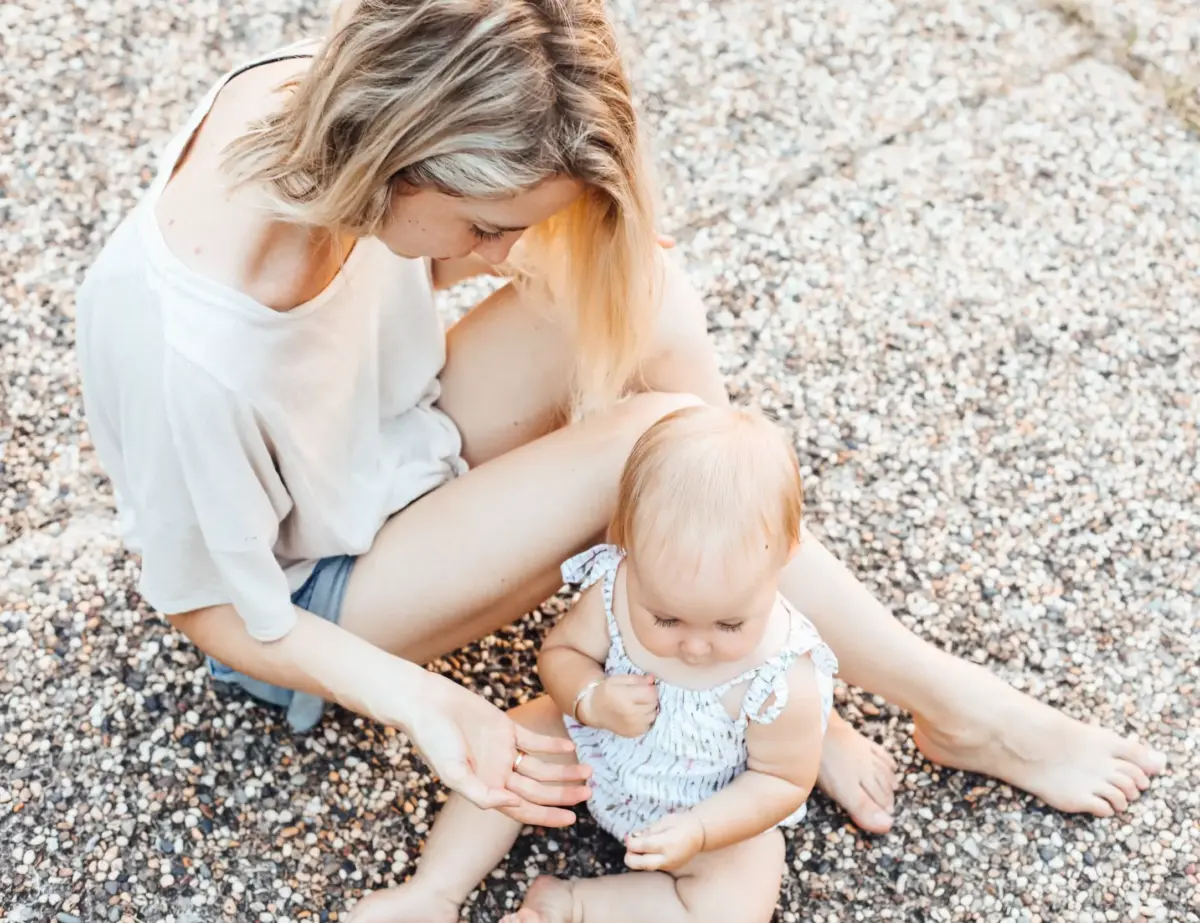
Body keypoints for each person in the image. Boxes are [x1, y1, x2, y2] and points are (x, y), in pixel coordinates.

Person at [74, 0, 1164, 843]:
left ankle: (753, 657)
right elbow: (210, 609)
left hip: (388, 438)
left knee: (644, 290)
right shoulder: (190, 349)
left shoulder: (330, 96)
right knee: (657, 441)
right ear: (392, 165)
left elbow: (541, 94)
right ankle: (950, 704)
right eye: (487, 226)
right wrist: (427, 703)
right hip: (313, 596)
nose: (501, 256)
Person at [349, 406, 837, 923]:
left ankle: (575, 906)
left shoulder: (782, 679)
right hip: (594, 751)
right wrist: (589, 698)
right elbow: (562, 654)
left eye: (729, 624)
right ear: (627, 546)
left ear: (786, 554)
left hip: (707, 808)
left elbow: (780, 781)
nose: (695, 647)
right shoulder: (616, 588)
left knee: (739, 896)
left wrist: (701, 829)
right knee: (510, 741)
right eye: (666, 619)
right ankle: (434, 890)